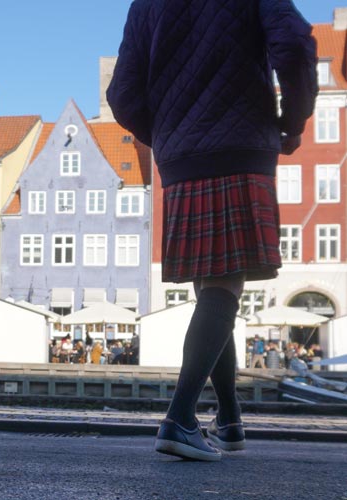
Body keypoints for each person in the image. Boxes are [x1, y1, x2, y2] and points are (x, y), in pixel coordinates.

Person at [107, 0, 318, 461]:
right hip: (241, 147)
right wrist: (293, 119)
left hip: (180, 159)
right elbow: (296, 45)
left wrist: (168, 131)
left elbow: (122, 94)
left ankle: (229, 418)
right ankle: (180, 418)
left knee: (213, 285)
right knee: (225, 283)